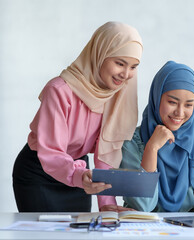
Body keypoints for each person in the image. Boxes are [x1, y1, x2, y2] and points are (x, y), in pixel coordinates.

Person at [12, 21, 143, 212]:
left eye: (133, 67)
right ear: (100, 53)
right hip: (39, 172)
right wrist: (79, 176)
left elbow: (105, 152)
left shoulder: (116, 95)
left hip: (81, 175)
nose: (126, 74)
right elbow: (51, 151)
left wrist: (107, 204)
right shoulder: (59, 90)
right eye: (120, 63)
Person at [98, 61, 194, 212]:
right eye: (172, 102)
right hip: (149, 232)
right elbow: (143, 206)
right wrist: (152, 148)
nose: (179, 112)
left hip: (193, 231)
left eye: (188, 105)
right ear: (156, 98)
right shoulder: (132, 143)